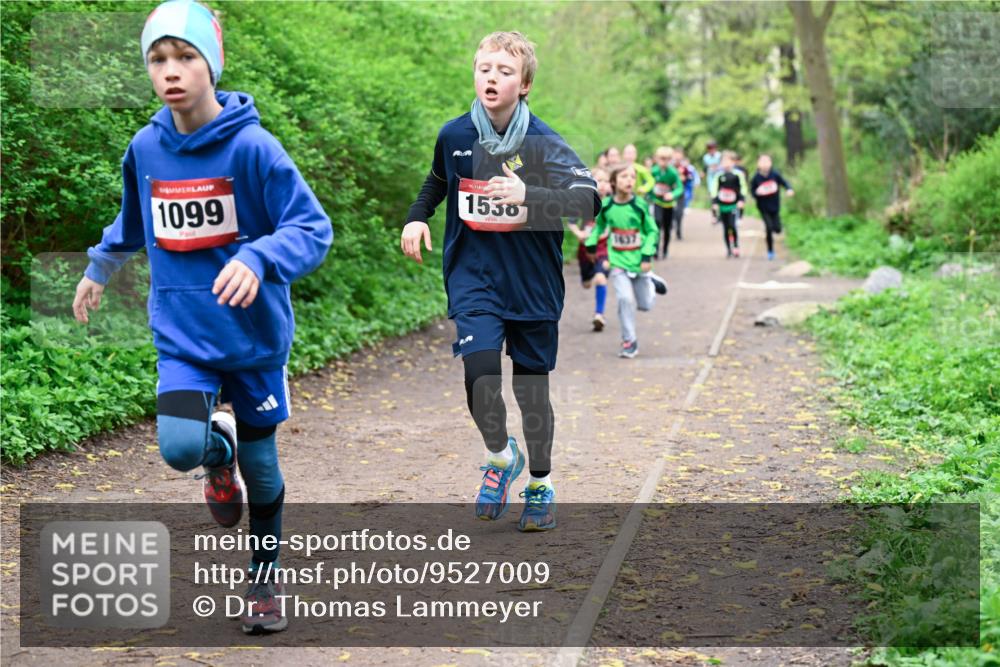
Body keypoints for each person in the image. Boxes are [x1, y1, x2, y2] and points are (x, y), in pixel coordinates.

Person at [71, 0, 333, 635]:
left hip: (252, 338)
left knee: (265, 467)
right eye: (159, 59)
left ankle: (265, 582)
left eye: (185, 56)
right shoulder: (145, 148)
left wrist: (263, 255)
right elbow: (133, 222)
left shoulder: (254, 148)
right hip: (184, 336)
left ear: (210, 65)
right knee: (180, 447)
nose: (172, 70)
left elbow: (313, 228)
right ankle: (219, 459)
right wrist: (100, 266)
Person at [401, 31, 600, 532]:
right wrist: (416, 217)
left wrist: (528, 194)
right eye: (484, 68)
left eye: (504, 71)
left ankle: (539, 483)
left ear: (525, 84)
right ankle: (498, 455)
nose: (491, 77)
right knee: (480, 372)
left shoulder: (544, 143)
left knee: (532, 392)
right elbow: (438, 182)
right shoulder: (454, 136)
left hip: (532, 284)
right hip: (474, 278)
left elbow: (588, 201)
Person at [585, 163, 661, 359]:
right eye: (624, 177)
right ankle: (629, 341)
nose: (629, 180)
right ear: (613, 182)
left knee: (645, 305)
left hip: (639, 262)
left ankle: (651, 282)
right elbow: (599, 227)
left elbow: (652, 231)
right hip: (617, 262)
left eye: (632, 177)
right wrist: (591, 244)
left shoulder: (639, 205)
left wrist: (646, 255)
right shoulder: (607, 206)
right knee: (624, 299)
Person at [566, 167, 612, 331]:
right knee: (586, 284)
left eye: (606, 181)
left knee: (601, 278)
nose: (603, 184)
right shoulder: (584, 202)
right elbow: (571, 222)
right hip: (585, 250)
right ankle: (591, 277)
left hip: (603, 249)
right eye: (599, 180)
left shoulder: (612, 204)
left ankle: (599, 315)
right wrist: (579, 233)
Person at [750, 154, 794, 260]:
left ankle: (778, 229)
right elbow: (752, 192)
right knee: (768, 228)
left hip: (775, 206)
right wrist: (757, 193)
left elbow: (784, 182)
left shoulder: (775, 174)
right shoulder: (756, 178)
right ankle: (770, 250)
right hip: (763, 207)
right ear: (758, 164)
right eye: (762, 162)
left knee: (777, 229)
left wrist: (789, 189)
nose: (765, 164)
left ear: (770, 163)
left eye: (767, 161)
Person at [650, 146, 683, 259]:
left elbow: (679, 188)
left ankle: (665, 250)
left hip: (669, 204)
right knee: (657, 224)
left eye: (667, 159)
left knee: (667, 228)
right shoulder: (653, 171)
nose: (664, 162)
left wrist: (672, 194)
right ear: (657, 159)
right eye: (662, 158)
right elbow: (649, 184)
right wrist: (650, 193)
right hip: (657, 202)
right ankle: (655, 250)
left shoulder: (673, 172)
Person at [709, 153, 745, 257]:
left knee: (732, 226)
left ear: (733, 162)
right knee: (725, 228)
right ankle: (728, 249)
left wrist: (741, 200)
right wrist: (715, 203)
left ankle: (736, 246)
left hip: (733, 205)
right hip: (722, 206)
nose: (726, 164)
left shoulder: (738, 175)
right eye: (724, 162)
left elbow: (743, 188)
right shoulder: (718, 176)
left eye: (728, 161)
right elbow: (714, 190)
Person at [673, 148, 699, 240]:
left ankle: (678, 231)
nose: (677, 158)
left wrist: (685, 178)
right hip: (670, 194)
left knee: (679, 213)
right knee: (671, 212)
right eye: (676, 156)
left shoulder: (684, 168)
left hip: (681, 193)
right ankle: (672, 225)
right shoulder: (669, 167)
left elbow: (690, 177)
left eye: (679, 156)